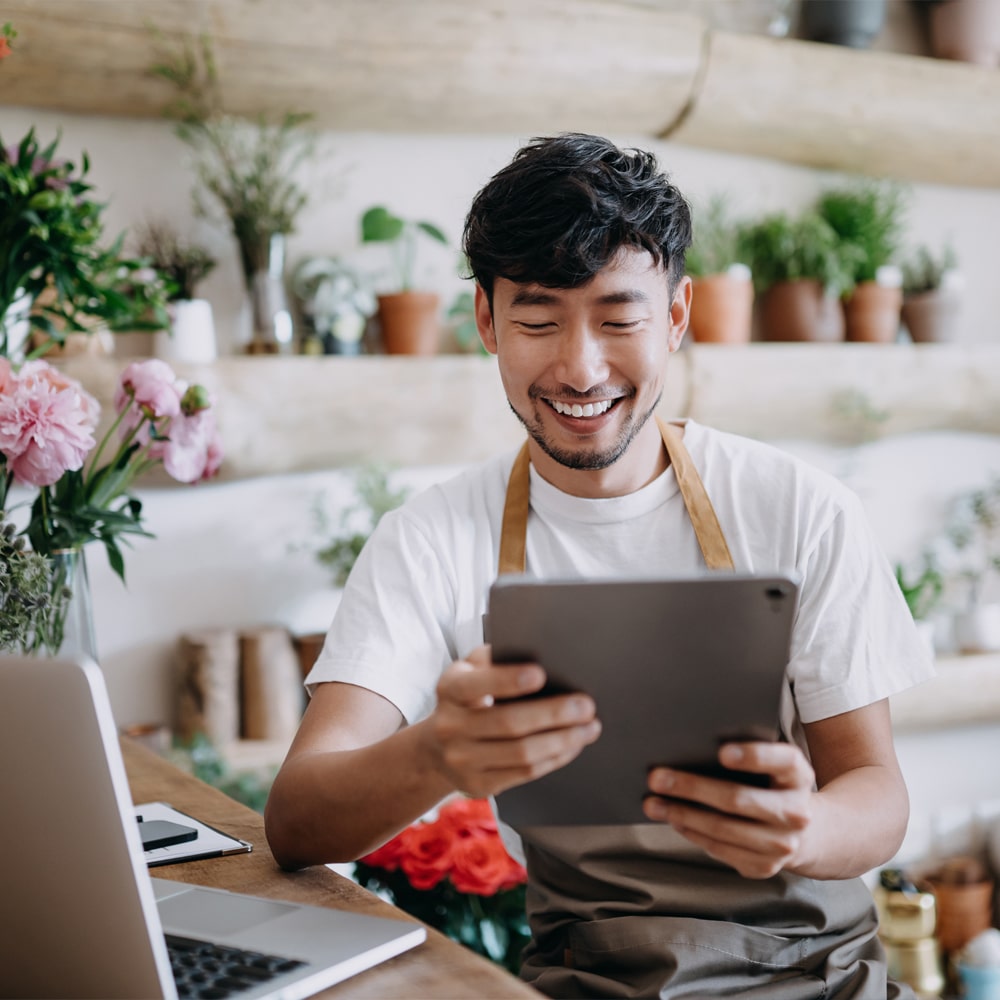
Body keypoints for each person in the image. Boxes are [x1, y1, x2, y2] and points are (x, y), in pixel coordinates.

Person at [265, 133, 934, 999]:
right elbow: (295, 818)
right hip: (590, 981)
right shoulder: (429, 539)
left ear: (679, 317)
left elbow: (876, 792)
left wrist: (802, 828)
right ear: (485, 321)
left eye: (620, 319)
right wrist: (437, 752)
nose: (580, 367)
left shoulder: (798, 507)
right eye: (539, 321)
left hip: (817, 976)